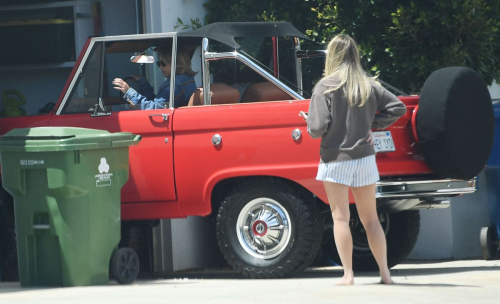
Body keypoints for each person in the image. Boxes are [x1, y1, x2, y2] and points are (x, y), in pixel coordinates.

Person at [300, 34, 406, 285]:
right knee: (371, 219)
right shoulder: (368, 85)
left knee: (340, 218)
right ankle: (385, 274)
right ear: (355, 55)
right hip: (364, 160)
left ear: (332, 56)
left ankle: (348, 274)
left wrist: (308, 121)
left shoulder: (324, 87)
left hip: (335, 159)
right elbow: (398, 108)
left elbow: (317, 129)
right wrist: (373, 125)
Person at [113, 46, 197, 109]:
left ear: (176, 63)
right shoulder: (187, 80)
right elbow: (155, 102)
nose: (160, 67)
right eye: (158, 63)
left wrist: (129, 92)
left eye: (163, 63)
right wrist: (143, 82)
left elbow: (153, 109)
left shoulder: (174, 86)